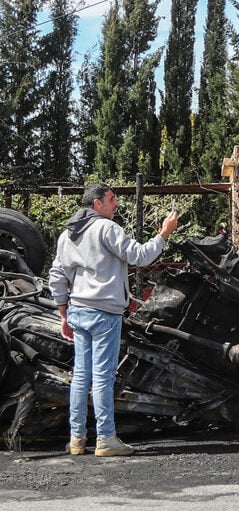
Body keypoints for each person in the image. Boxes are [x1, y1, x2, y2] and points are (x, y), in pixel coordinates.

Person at [49, 183, 178, 457]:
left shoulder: (67, 235)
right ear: (97, 204)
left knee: (81, 377)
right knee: (103, 377)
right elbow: (140, 257)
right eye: (111, 199)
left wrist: (63, 315)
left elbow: (57, 276)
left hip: (78, 311)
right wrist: (164, 234)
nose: (115, 204)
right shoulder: (107, 229)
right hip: (104, 313)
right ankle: (106, 438)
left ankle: (77, 439)